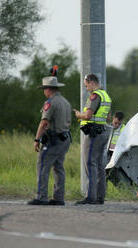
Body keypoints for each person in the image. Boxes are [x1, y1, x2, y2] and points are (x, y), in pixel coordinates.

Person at [28, 76, 72, 206]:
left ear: (48, 89)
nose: (43, 91)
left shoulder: (50, 102)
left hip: (53, 140)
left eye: (44, 88)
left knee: (42, 166)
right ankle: (59, 197)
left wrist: (37, 139)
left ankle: (41, 197)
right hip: (65, 139)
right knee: (58, 167)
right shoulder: (65, 102)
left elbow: (44, 122)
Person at [74, 73, 111, 205]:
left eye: (86, 85)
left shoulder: (95, 96)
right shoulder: (106, 95)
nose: (86, 88)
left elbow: (88, 115)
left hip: (94, 134)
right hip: (103, 132)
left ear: (91, 82)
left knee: (90, 163)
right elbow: (108, 117)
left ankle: (91, 197)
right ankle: (100, 196)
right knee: (100, 165)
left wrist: (79, 115)